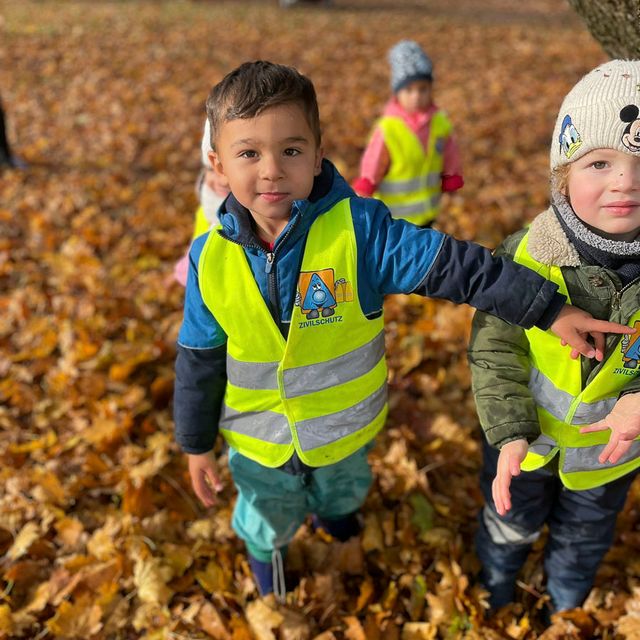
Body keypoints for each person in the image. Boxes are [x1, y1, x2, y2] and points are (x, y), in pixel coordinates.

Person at [174, 60, 632, 600]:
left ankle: (341, 534)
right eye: (249, 153)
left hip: (344, 432)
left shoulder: (358, 230)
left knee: (342, 496)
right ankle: (273, 594)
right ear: (218, 164)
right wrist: (195, 443)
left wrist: (548, 310)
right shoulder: (209, 261)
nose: (271, 169)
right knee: (266, 519)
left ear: (318, 155)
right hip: (257, 442)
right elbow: (198, 360)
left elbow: (458, 268)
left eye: (291, 150)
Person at [468, 59, 640, 616]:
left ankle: (564, 606)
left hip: (608, 458)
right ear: (563, 177)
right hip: (525, 443)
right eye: (599, 162)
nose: (626, 181)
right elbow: (495, 348)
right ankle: (496, 586)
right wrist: (509, 430)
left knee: (585, 538)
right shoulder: (529, 257)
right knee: (508, 523)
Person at [352, 40, 463, 228]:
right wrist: (367, 184)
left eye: (423, 89)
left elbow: (450, 154)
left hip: (428, 210)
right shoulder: (388, 128)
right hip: (395, 216)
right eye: (409, 90)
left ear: (431, 90)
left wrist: (451, 178)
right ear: (397, 93)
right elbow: (374, 160)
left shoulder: (439, 123)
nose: (416, 96)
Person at [173, 119, 229, 286]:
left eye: (227, 170)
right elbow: (197, 242)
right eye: (212, 170)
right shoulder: (207, 206)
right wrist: (180, 273)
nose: (222, 181)